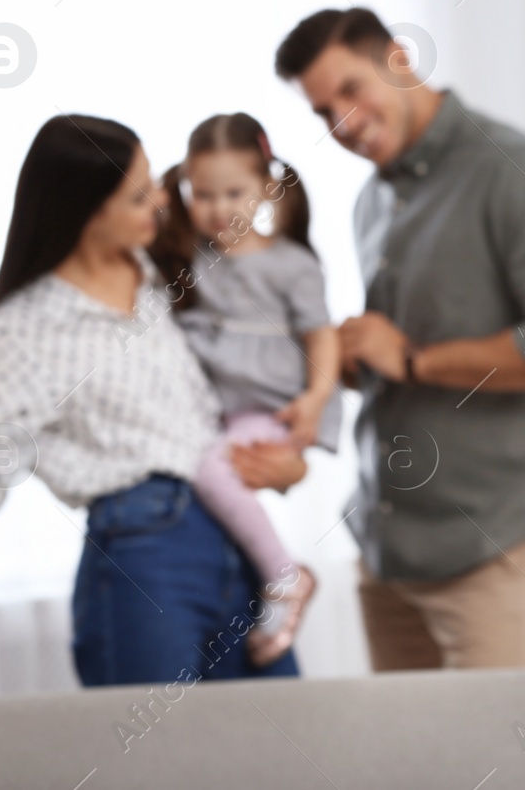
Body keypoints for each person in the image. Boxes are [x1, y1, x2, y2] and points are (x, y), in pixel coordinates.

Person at [0, 114, 308, 685]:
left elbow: (243, 378)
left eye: (152, 182)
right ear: (84, 212)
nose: (159, 201)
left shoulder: (165, 275)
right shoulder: (20, 331)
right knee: (157, 770)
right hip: (143, 557)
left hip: (234, 544)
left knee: (276, 758)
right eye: (136, 196)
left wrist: (285, 460)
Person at [274, 7, 525, 670]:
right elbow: (391, 363)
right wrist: (341, 362)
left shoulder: (510, 167)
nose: (342, 120)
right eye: (321, 111)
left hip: (487, 552)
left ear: (399, 59)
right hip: (385, 552)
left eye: (350, 90)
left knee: (498, 770)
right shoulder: (371, 201)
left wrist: (415, 358)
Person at [150, 112, 341, 667]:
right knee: (201, 472)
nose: (218, 208)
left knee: (213, 469)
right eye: (202, 194)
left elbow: (321, 337)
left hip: (274, 405)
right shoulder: (190, 258)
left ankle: (286, 575)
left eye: (234, 192)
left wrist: (315, 399)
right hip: (218, 409)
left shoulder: (290, 264)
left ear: (265, 187)